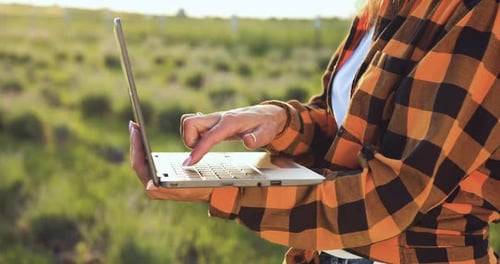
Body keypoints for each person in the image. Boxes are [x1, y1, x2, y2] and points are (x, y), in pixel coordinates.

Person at [129, 0, 499, 263]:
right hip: (325, 252)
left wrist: (224, 191)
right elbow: (347, 131)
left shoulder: (481, 13)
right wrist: (278, 121)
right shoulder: (382, 7)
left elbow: (392, 196)